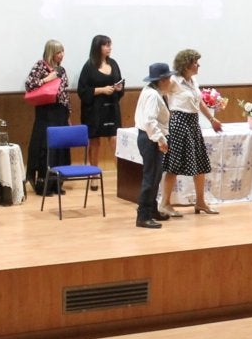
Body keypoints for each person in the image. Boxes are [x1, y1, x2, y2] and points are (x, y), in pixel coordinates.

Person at [162, 48, 224, 216]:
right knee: (173, 165)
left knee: (200, 164)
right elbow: (160, 96)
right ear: (186, 64)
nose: (198, 65)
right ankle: (165, 203)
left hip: (193, 123)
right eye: (195, 62)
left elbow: (199, 103)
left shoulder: (193, 81)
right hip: (178, 123)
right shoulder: (173, 80)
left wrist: (211, 120)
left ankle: (201, 202)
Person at [24, 39, 71, 196]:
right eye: (58, 52)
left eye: (62, 51)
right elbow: (29, 85)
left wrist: (68, 115)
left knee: (59, 148)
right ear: (51, 53)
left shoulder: (61, 70)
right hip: (46, 112)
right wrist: (46, 79)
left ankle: (56, 183)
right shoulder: (40, 66)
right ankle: (42, 185)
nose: (61, 55)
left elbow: (65, 94)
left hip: (60, 112)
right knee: (45, 147)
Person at [134, 61, 176, 229]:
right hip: (150, 139)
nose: (171, 81)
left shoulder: (152, 91)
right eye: (169, 78)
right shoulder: (152, 95)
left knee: (155, 176)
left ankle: (151, 209)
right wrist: (160, 139)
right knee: (150, 178)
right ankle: (143, 215)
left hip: (150, 137)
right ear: (162, 80)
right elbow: (150, 121)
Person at [75, 34, 124, 176]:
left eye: (110, 45)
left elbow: (120, 81)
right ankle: (94, 174)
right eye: (106, 45)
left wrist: (119, 88)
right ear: (98, 47)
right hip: (94, 110)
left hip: (112, 108)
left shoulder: (113, 63)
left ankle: (122, 176)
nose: (109, 48)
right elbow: (82, 91)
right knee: (95, 142)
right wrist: (101, 90)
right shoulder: (89, 66)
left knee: (115, 140)